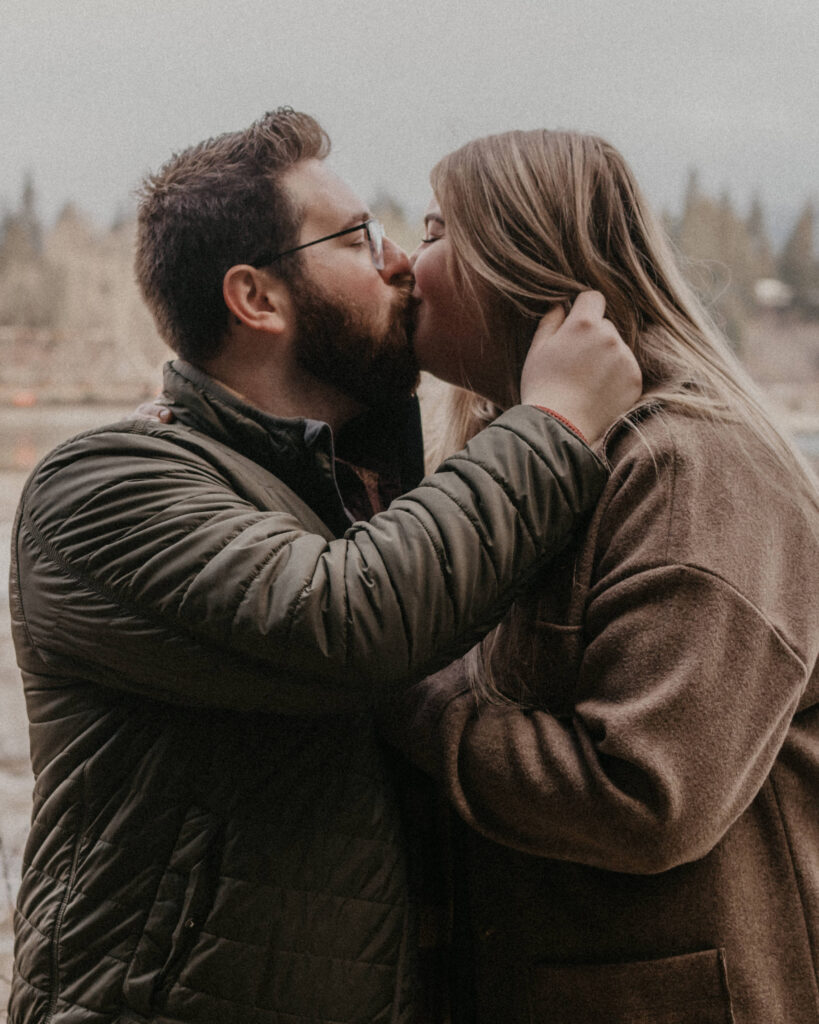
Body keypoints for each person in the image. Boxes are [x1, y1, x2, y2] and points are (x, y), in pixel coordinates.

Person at [6, 111, 641, 1024]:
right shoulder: (104, 486)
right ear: (256, 299)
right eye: (357, 237)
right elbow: (348, 621)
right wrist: (556, 423)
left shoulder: (359, 485)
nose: (397, 263)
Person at [384, 129, 819, 1024]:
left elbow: (645, 796)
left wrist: (394, 688)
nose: (401, 262)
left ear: (521, 260)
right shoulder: (537, 461)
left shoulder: (690, 468)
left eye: (433, 231)